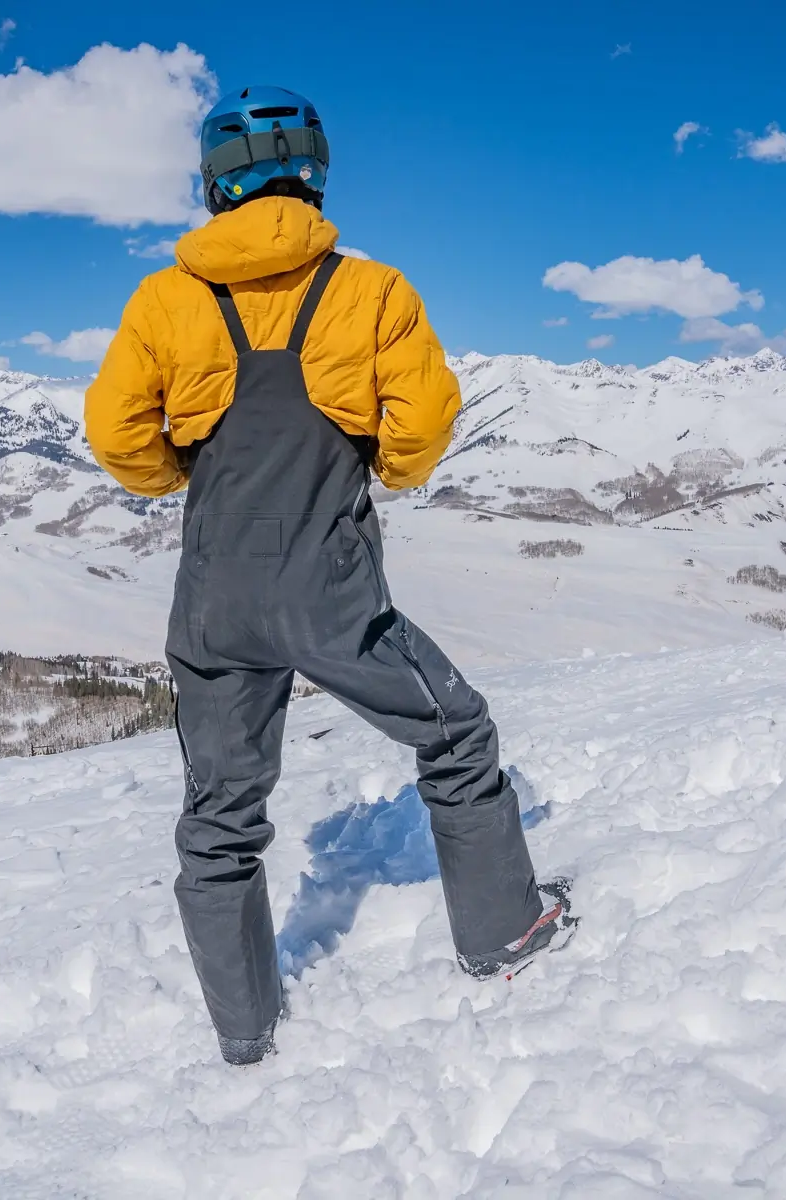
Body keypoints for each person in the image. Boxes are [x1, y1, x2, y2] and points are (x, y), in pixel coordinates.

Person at [85, 86, 568, 1066]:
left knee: (219, 813)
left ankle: (244, 1030)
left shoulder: (165, 300)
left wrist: (178, 475)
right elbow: (422, 424)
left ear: (214, 185)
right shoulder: (372, 292)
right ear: (314, 174)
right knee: (455, 732)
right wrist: (385, 467)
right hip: (331, 593)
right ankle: (503, 931)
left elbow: (117, 435)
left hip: (215, 598)